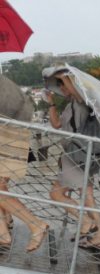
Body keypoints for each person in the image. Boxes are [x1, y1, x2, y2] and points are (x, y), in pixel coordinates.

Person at [45, 72, 100, 250]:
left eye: (63, 85)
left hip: (79, 153)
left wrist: (65, 76)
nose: (62, 88)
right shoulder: (69, 105)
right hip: (70, 156)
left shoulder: (82, 102)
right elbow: (56, 125)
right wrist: (52, 103)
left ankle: (92, 228)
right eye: (60, 85)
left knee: (86, 197)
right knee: (61, 194)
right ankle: (92, 227)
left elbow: (77, 92)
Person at [0, 74, 49, 252]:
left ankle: (36, 224)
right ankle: (3, 233)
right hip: (14, 134)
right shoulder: (7, 83)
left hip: (7, 136)